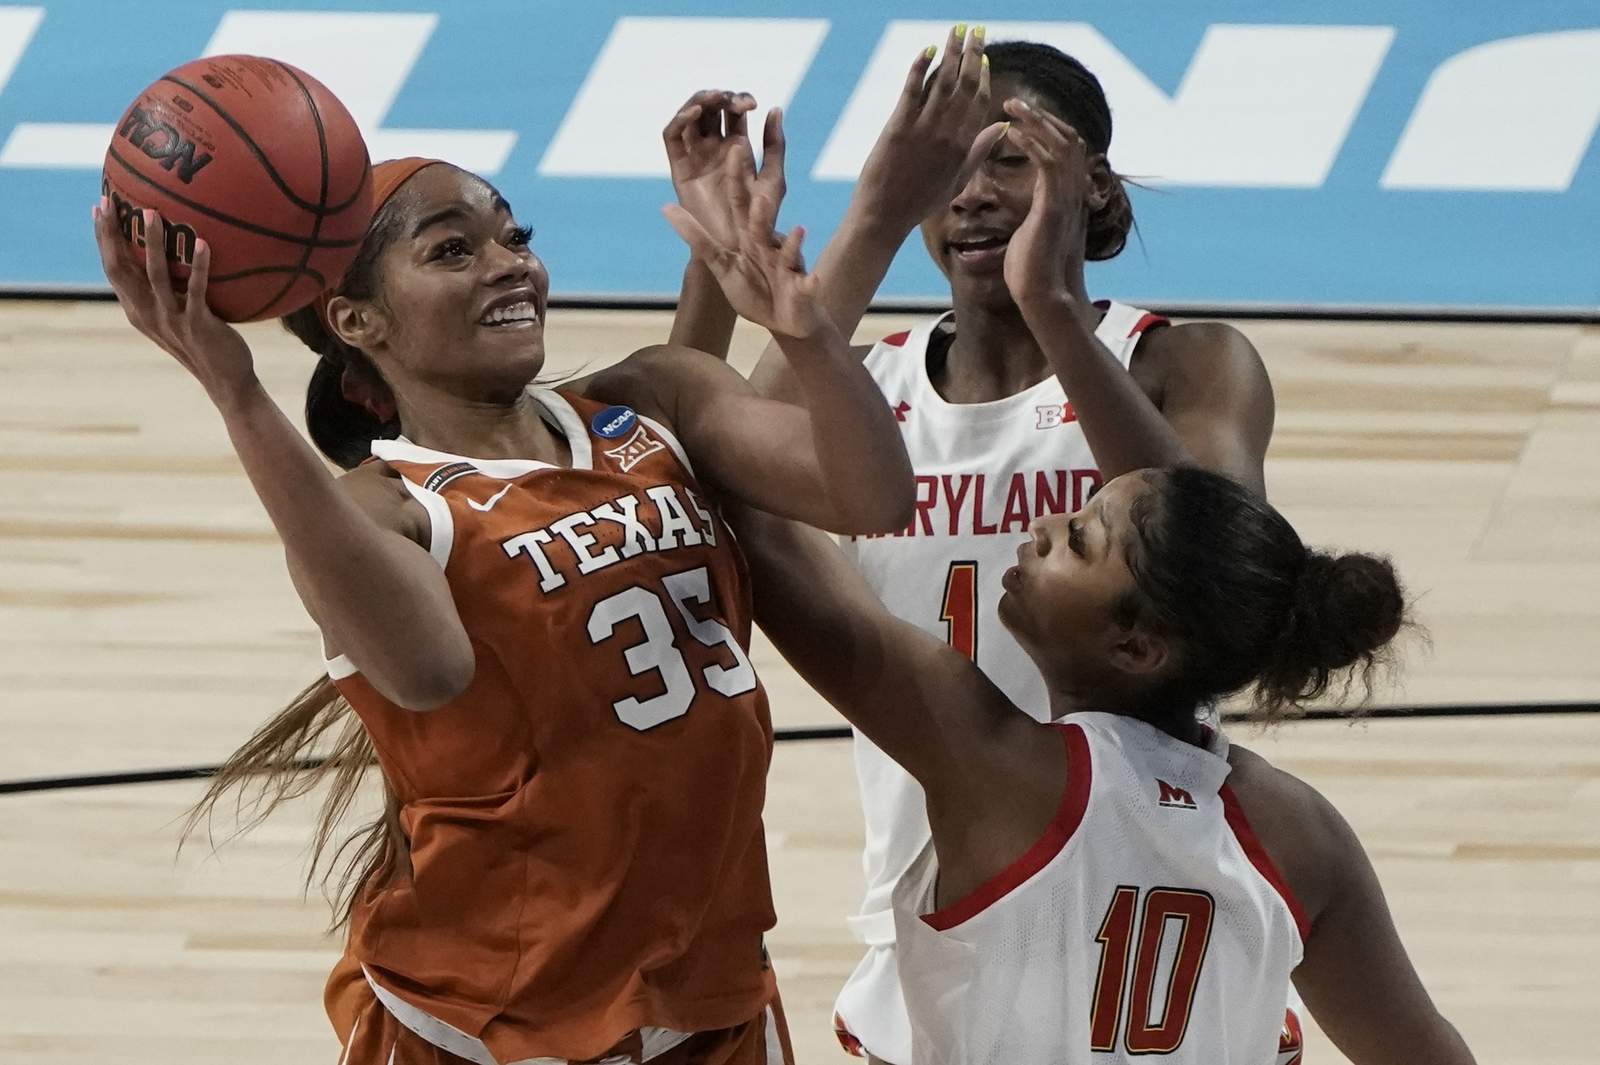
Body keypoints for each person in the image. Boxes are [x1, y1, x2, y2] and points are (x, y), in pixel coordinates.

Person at [93, 108, 915, 1064]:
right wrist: (236, 392)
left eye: (514, 235)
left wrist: (799, 321)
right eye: (454, 250)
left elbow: (872, 494)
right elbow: (429, 672)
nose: (510, 263)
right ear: (357, 321)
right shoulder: (384, 511)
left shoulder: (650, 402)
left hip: (712, 993)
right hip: (493, 1028)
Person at [677, 30, 1275, 1060]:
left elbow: (1220, 559)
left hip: (1146, 868)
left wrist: (1054, 309)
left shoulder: (1184, 360)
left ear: (1092, 183)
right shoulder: (862, 392)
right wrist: (818, 229)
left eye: (1008, 156)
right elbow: (721, 475)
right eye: (942, 163)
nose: (971, 192)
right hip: (934, 874)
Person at [731, 468, 1475, 1065]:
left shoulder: (994, 762)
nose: (1044, 528)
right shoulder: (1302, 829)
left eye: (1079, 541)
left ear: (1137, 647)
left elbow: (766, 540)